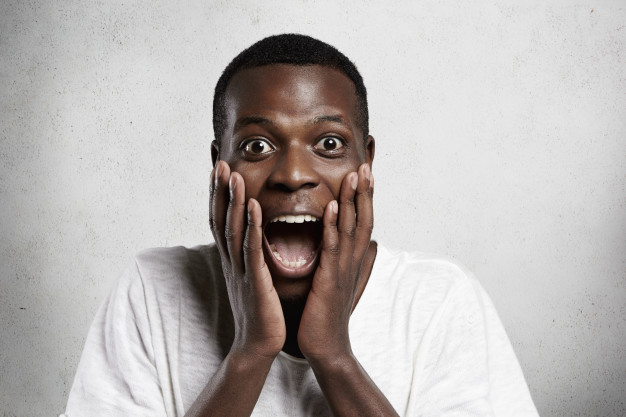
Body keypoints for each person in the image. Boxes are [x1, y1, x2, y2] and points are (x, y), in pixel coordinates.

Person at [63, 34, 539, 416]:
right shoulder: (151, 289)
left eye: (329, 144)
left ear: (366, 162)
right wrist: (249, 352)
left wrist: (333, 356)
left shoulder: (440, 299)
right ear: (218, 167)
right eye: (256, 147)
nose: (292, 175)